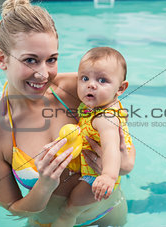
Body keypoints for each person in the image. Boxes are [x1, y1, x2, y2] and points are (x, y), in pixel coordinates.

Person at [0, 0, 136, 226]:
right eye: (30, 60)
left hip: (108, 210)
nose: (43, 74)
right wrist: (45, 185)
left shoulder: (79, 89)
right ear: (2, 59)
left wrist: (123, 164)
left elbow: (119, 129)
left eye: (51, 60)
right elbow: (14, 209)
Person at [53, 47, 132, 227]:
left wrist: (108, 176)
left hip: (96, 178)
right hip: (97, 174)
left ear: (120, 88)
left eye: (102, 80)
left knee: (68, 211)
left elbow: (112, 146)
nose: (91, 85)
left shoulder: (105, 118)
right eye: (85, 78)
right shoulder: (97, 103)